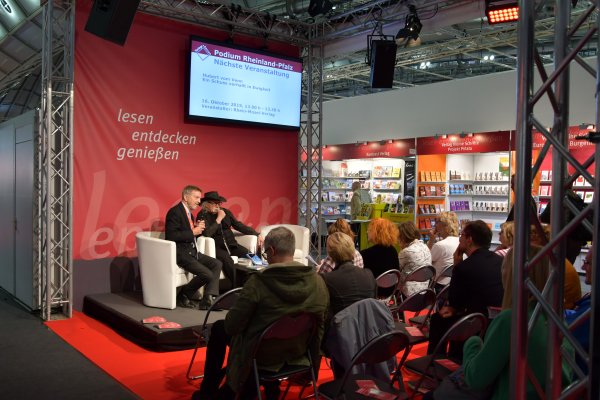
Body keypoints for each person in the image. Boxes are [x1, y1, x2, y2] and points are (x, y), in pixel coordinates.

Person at [193, 227, 329, 400]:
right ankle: (269, 386)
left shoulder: (258, 283)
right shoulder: (318, 283)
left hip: (259, 354)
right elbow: (320, 328)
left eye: (265, 253)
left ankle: (208, 392)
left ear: (271, 251)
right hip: (298, 352)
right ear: (292, 250)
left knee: (219, 328)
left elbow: (233, 325)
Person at [427, 220, 504, 359]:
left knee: (438, 319)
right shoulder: (499, 260)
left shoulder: (464, 267)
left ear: (469, 239)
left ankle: (434, 362)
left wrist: (457, 265)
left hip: (475, 321)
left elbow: (455, 303)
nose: (459, 239)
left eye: (462, 235)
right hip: (497, 320)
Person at [165, 185, 222, 310]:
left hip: (192, 251)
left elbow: (188, 234)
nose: (199, 201)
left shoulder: (189, 214)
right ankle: (184, 293)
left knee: (217, 264)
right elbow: (171, 236)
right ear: (186, 197)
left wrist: (196, 229)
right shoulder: (174, 212)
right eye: (196, 197)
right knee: (207, 274)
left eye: (199, 198)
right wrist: (193, 232)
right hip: (181, 253)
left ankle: (207, 299)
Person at [198, 191, 264, 286]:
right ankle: (237, 289)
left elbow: (239, 226)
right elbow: (207, 233)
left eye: (219, 203)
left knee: (253, 257)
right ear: (207, 204)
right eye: (215, 203)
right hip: (218, 248)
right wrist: (218, 219)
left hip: (232, 245)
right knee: (228, 262)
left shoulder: (226, 212)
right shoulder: (202, 215)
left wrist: (257, 234)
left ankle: (259, 283)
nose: (218, 206)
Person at [322, 232, 377, 318]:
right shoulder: (369, 275)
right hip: (368, 326)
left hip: (340, 328)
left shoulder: (327, 279)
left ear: (330, 253)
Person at [565, 246, 592, 374]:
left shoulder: (592, 309)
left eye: (587, 263)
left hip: (578, 381)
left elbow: (564, 334)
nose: (582, 268)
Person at [397, 220, 432, 297]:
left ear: (402, 237)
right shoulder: (425, 246)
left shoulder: (406, 251)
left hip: (407, 293)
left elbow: (396, 270)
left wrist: (402, 248)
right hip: (425, 290)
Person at [427, 211, 459, 285]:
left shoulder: (440, 245)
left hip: (438, 285)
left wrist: (431, 240)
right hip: (453, 283)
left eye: (437, 222)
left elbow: (425, 261)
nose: (435, 225)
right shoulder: (460, 242)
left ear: (444, 225)